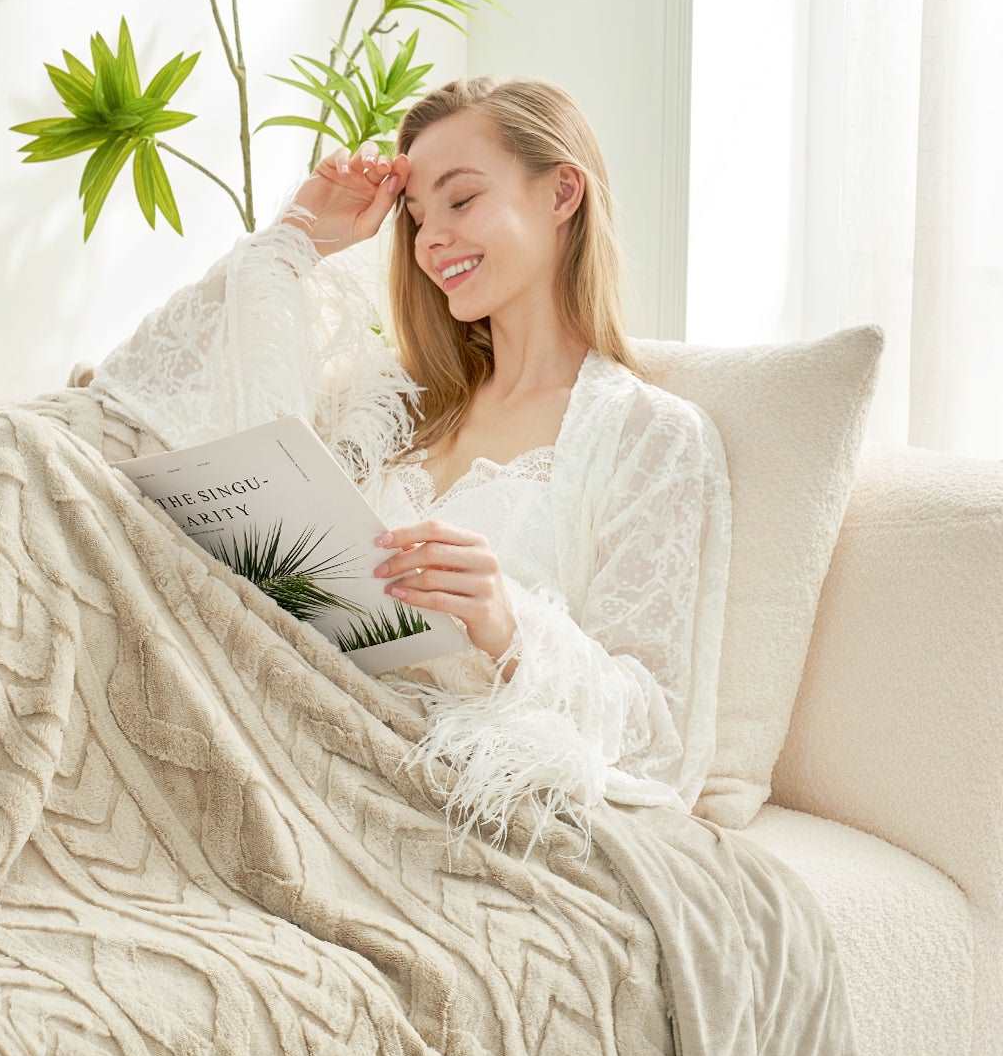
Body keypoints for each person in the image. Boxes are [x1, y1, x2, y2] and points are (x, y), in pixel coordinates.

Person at [82, 76, 732, 866]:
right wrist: (297, 237)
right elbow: (140, 403)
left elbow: (656, 735)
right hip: (274, 731)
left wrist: (505, 623)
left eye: (460, 202)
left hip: (420, 792)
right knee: (38, 456)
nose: (430, 241)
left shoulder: (651, 435)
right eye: (417, 218)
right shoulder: (387, 402)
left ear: (562, 193)